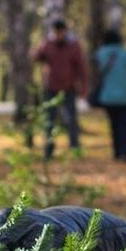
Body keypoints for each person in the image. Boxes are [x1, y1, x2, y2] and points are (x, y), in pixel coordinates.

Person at [32, 18, 88, 158]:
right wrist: (43, 44)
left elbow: (81, 68)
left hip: (69, 88)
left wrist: (83, 87)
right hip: (51, 88)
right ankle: (48, 150)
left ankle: (75, 148)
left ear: (65, 31)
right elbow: (36, 57)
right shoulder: (48, 44)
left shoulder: (73, 46)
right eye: (56, 32)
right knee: (49, 120)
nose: (58, 35)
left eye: (60, 32)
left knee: (71, 120)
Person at [92, 29, 126, 162]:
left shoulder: (99, 55)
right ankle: (125, 152)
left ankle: (117, 152)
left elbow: (96, 75)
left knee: (114, 125)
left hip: (109, 97)